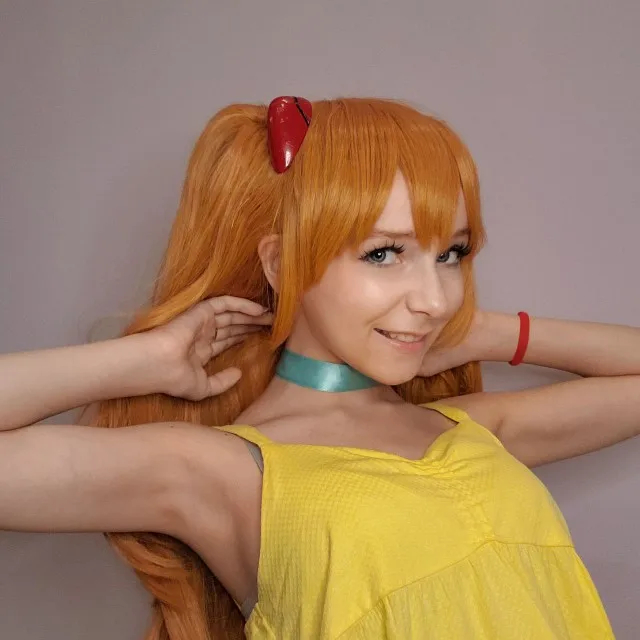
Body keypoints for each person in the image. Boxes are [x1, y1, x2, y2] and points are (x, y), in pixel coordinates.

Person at [1, 96, 636, 639]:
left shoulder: (471, 430)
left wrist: (484, 332)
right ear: (282, 265)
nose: (435, 298)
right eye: (384, 253)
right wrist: (144, 360)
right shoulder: (223, 472)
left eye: (452, 254)